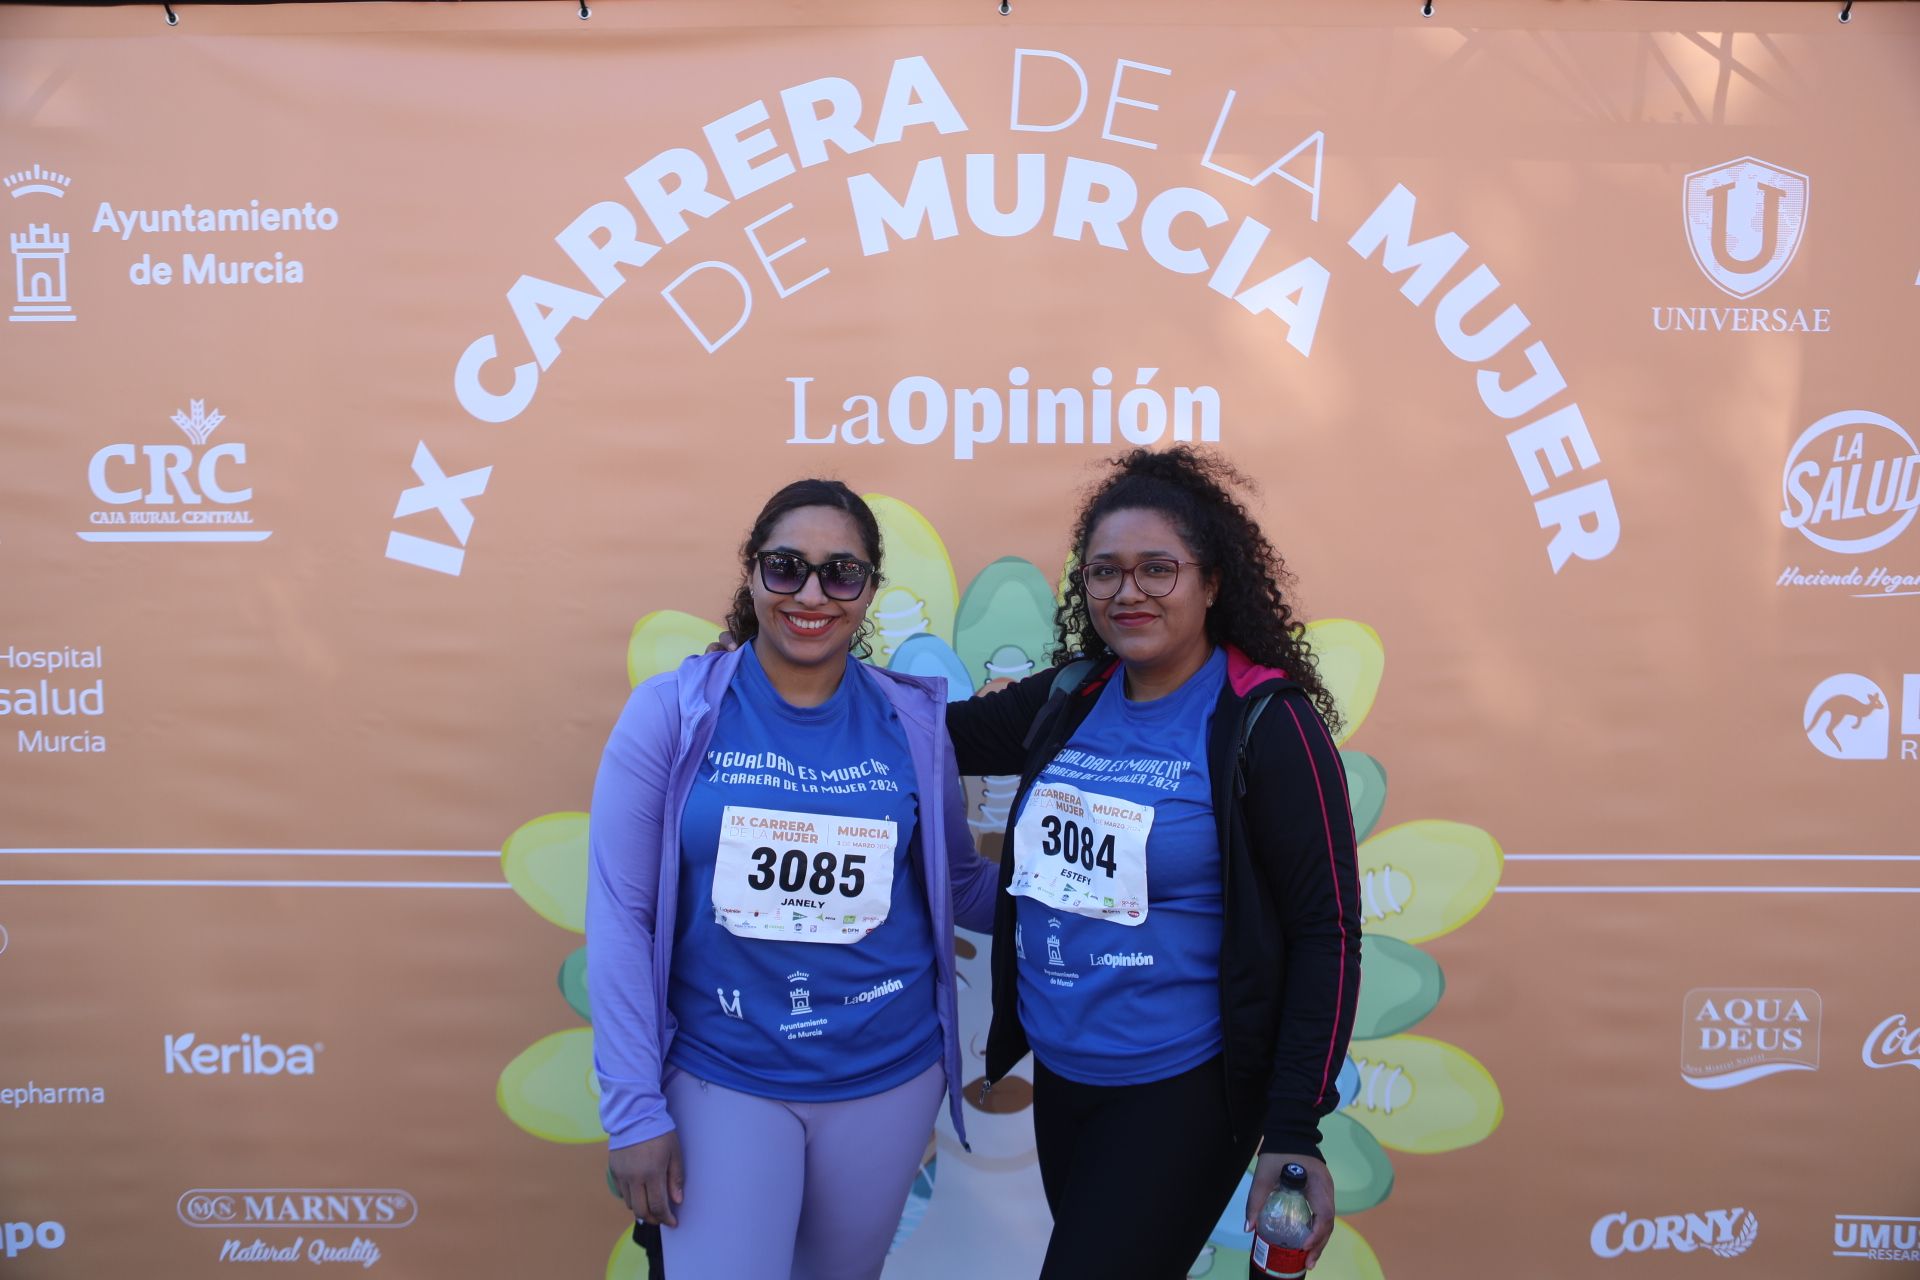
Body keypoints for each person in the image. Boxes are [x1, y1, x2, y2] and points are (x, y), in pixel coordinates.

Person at [946, 447, 1362, 1278]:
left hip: (1185, 1087)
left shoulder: (1264, 724)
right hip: (1066, 1073)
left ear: (1212, 582)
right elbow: (931, 735)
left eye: (1157, 569)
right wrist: (788, 667)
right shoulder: (1072, 696)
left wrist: (1294, 1130)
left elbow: (1328, 932)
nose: (1127, 592)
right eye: (1104, 572)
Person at [586, 478, 998, 1279]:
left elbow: (960, 887)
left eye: (842, 573)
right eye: (787, 568)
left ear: (870, 589)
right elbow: (621, 917)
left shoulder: (915, 723)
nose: (812, 594)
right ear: (750, 574)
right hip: (724, 1077)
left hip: (887, 1080)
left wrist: (1119, 889)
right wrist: (633, 1110)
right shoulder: (671, 715)